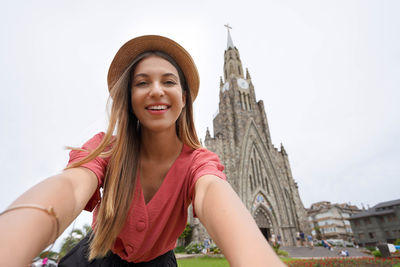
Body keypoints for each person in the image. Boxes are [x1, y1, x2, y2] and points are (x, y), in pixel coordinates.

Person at [0, 35, 285, 267]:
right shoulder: (108, 149)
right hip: (95, 255)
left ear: (184, 98)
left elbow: (212, 191)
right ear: (130, 98)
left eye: (169, 81)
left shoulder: (198, 162)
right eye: (142, 82)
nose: (157, 90)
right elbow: (72, 187)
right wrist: (14, 239)